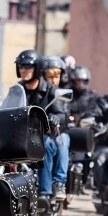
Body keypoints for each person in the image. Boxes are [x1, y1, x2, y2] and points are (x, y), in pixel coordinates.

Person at [15, 49, 70, 200]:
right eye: (21, 66)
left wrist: (55, 117)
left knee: (48, 144)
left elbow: (62, 113)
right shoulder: (16, 89)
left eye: (28, 67)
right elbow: (5, 107)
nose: (24, 70)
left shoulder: (51, 90)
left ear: (37, 68)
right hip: (21, 135)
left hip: (45, 134)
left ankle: (46, 193)